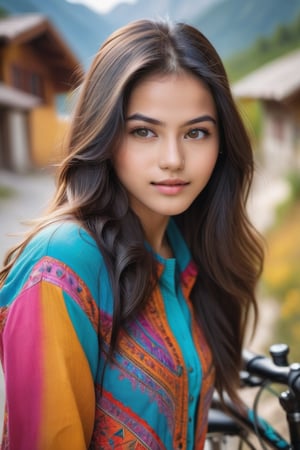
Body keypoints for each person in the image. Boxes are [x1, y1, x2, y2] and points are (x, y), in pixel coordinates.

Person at [0, 18, 264, 450]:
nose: (173, 159)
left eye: (196, 132)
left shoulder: (186, 246)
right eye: (144, 131)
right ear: (103, 134)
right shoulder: (60, 266)